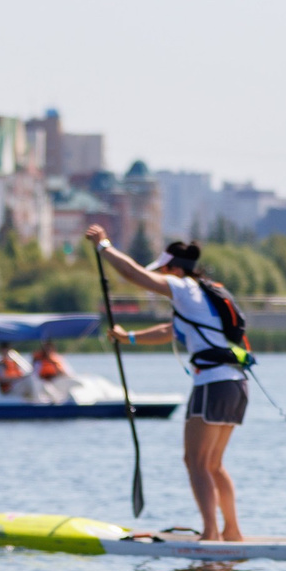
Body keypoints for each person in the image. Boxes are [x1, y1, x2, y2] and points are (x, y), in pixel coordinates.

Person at [88, 227, 252, 542]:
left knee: (195, 462)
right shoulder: (206, 293)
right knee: (214, 464)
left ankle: (210, 534)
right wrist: (129, 337)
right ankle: (232, 532)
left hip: (213, 385)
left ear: (175, 269)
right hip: (236, 385)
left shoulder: (183, 287)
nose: (162, 279)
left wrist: (103, 246)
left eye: (164, 272)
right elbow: (169, 331)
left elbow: (132, 274)